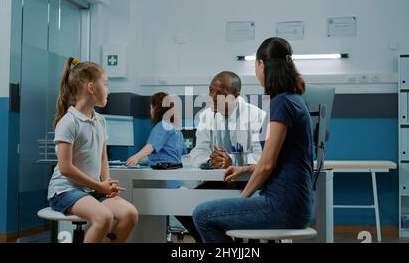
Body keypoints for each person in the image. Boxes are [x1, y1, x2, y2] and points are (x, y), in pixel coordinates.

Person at [192, 37, 314, 243]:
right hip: (295, 203)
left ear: (261, 64)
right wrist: (246, 169)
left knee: (203, 215)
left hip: (282, 205)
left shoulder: (280, 103)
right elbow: (275, 159)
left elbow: (266, 165)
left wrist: (242, 199)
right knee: (210, 212)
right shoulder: (292, 99)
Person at [48, 57, 138, 243]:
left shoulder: (100, 120)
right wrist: (99, 186)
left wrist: (106, 184)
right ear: (91, 87)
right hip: (64, 191)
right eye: (105, 84)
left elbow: (103, 157)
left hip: (90, 190)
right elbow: (65, 168)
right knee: (103, 217)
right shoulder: (68, 122)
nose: (109, 90)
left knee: (130, 214)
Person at [176, 71, 266, 243]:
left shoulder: (257, 117)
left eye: (221, 94)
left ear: (236, 95)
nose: (213, 97)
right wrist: (212, 161)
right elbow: (198, 152)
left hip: (250, 183)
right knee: (180, 204)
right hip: (220, 181)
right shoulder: (206, 116)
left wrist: (232, 160)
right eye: (211, 91)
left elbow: (261, 157)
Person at [126, 92, 187, 167]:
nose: (150, 111)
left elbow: (151, 146)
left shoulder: (162, 125)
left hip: (162, 171)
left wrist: (135, 157)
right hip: (175, 170)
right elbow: (183, 151)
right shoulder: (176, 129)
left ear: (156, 108)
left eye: (151, 108)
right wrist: (151, 158)